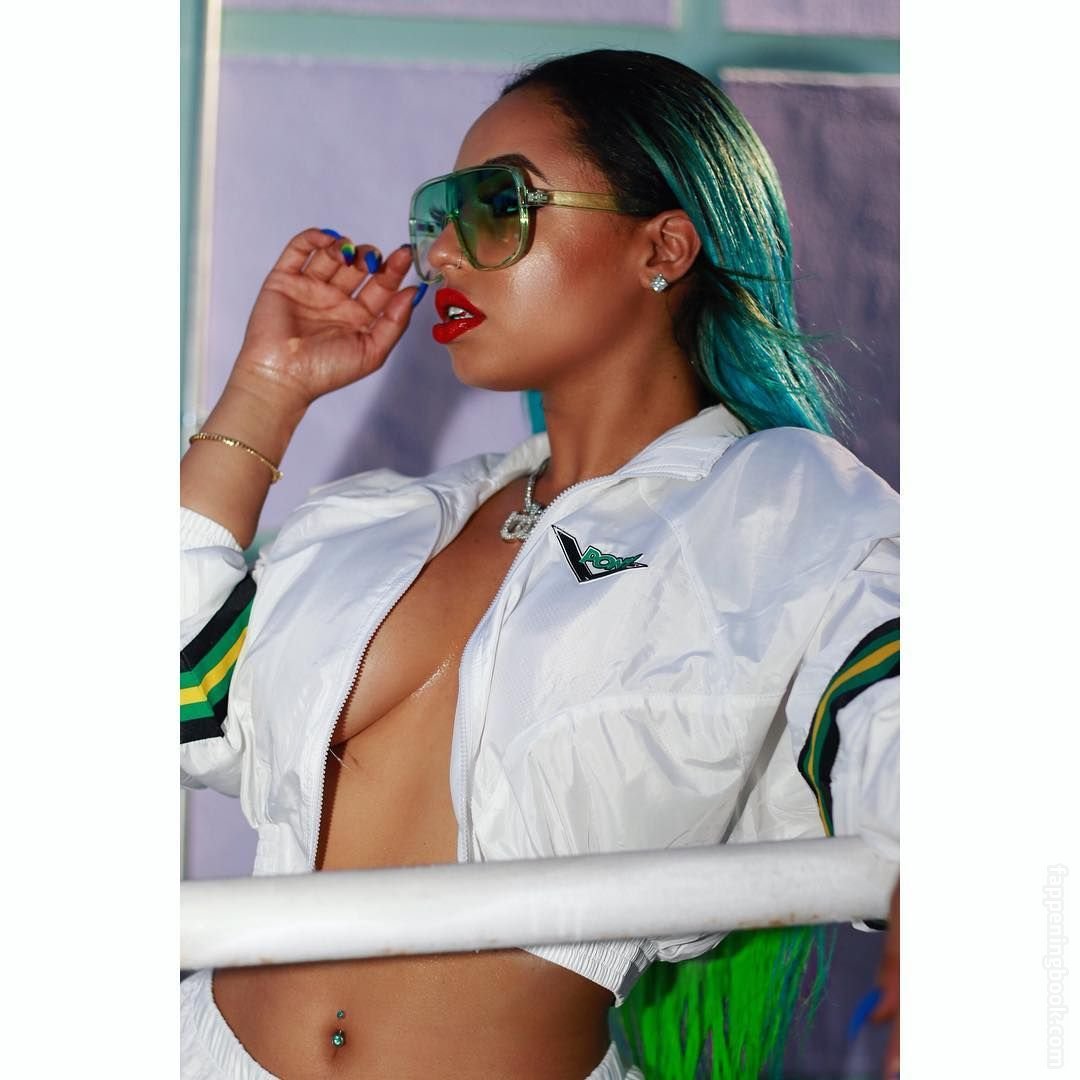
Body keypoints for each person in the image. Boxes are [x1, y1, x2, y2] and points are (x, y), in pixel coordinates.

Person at [180, 49, 899, 1080]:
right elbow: (175, 697)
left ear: (663, 246)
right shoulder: (387, 524)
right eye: (438, 217)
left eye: (496, 206)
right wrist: (266, 386)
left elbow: (909, 726)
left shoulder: (781, 507)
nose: (442, 255)